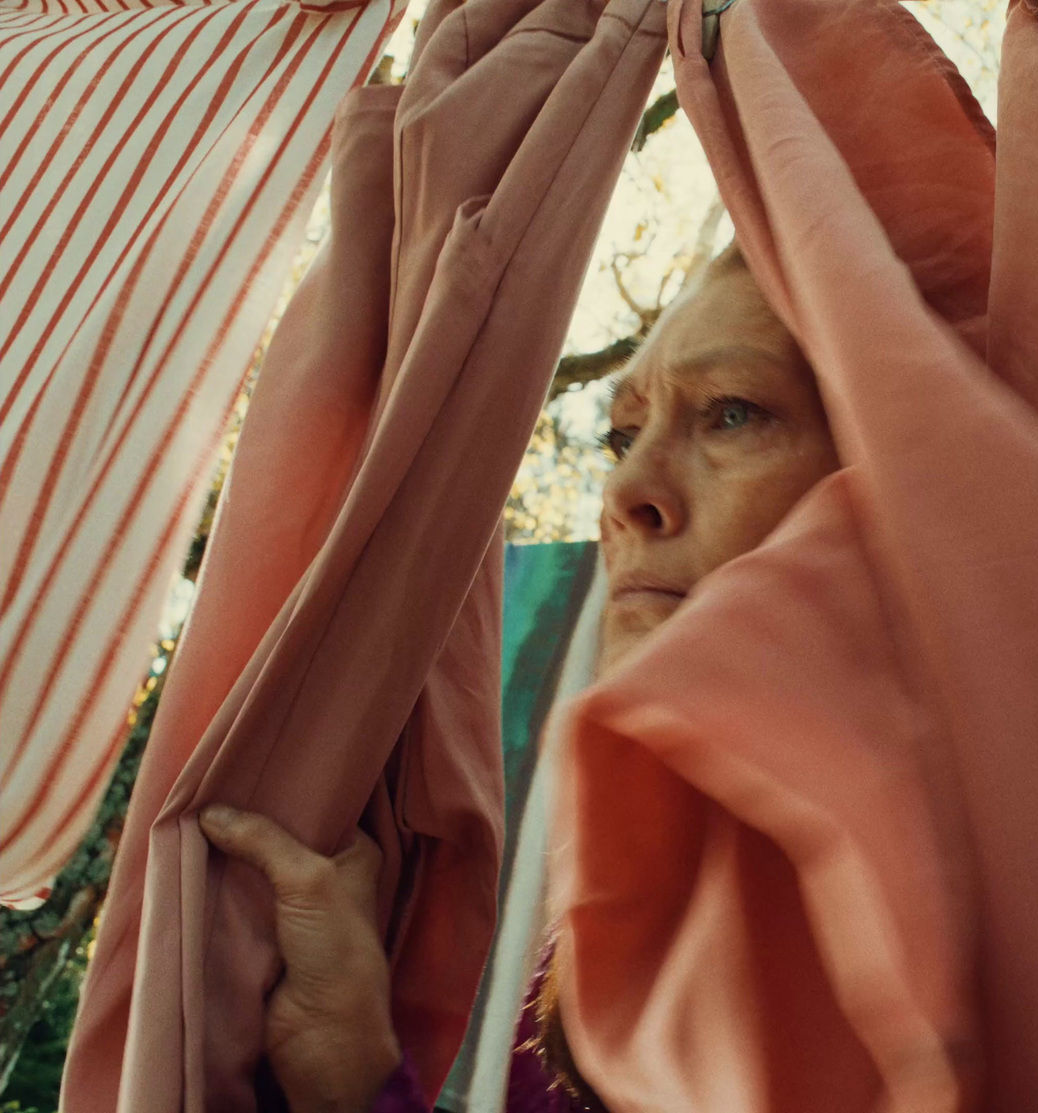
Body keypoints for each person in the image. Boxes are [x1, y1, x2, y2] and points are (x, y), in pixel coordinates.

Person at [197, 244, 834, 1113]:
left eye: (731, 413)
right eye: (623, 432)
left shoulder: (988, 928)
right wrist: (349, 1070)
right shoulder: (614, 918)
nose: (628, 489)